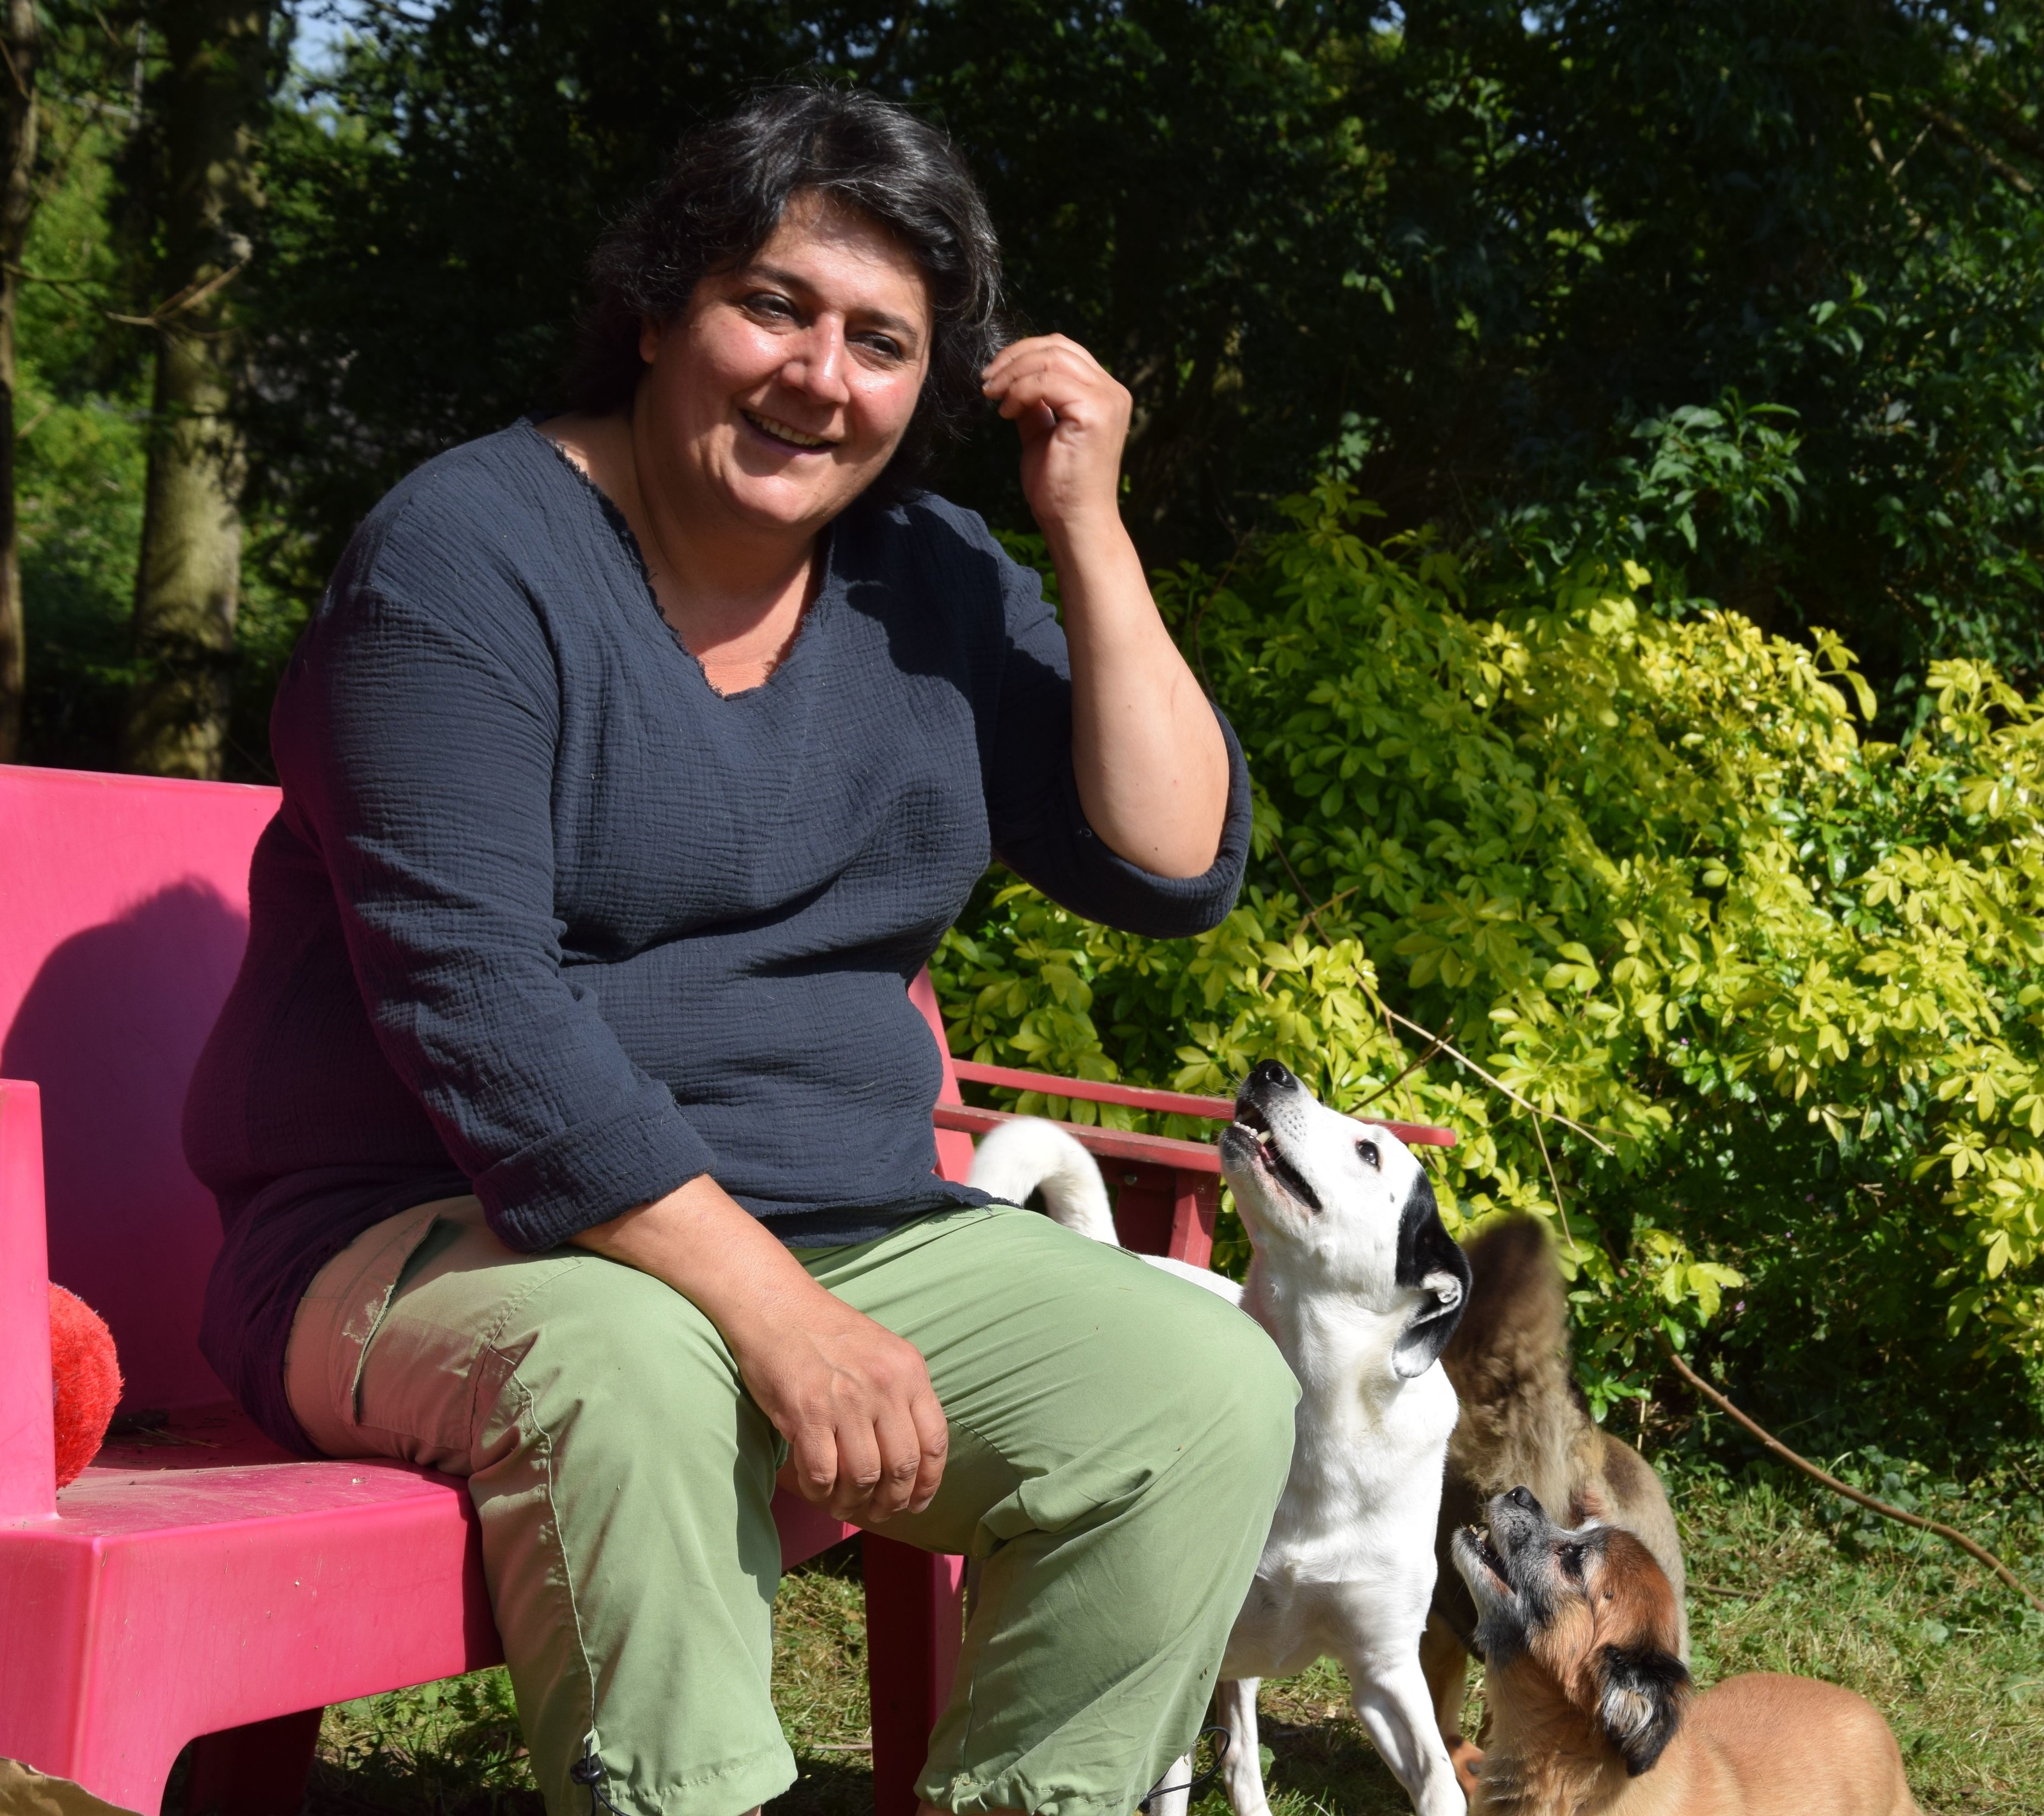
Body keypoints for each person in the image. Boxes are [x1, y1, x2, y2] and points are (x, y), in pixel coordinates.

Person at [184, 86, 1295, 1816]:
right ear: (656, 307)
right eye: (773, 305)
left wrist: (1085, 520)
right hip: (423, 1230)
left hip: (838, 1227)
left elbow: (1171, 863)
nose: (819, 375)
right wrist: (774, 1315)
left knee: (1202, 1386)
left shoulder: (927, 576)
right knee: (637, 1364)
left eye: (883, 341)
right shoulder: (462, 561)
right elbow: (482, 1021)